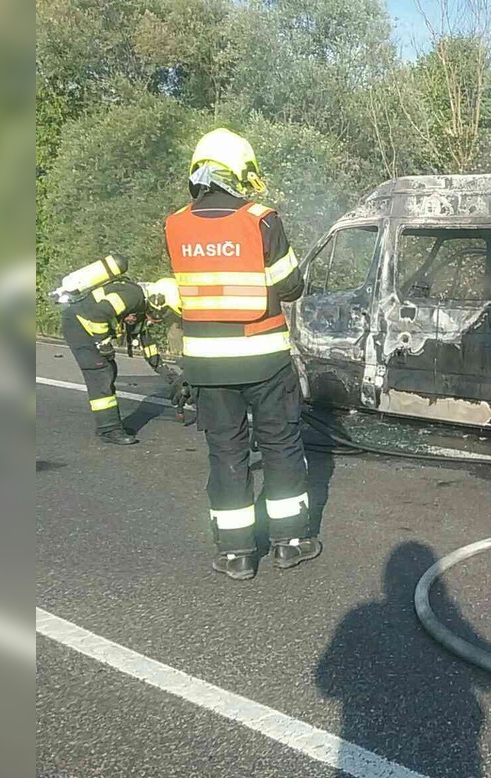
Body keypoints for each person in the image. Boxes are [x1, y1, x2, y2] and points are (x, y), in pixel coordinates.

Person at [165, 127, 317, 581]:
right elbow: (291, 286)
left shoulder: (175, 225)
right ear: (237, 171)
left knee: (226, 452)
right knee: (280, 445)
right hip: (265, 358)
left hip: (208, 366)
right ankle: (290, 543)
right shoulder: (262, 220)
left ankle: (236, 553)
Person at [58, 262, 185, 445]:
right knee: (101, 373)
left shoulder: (139, 305)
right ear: (158, 300)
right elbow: (98, 314)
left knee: (109, 370)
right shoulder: (133, 296)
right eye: (164, 312)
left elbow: (146, 343)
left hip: (87, 327)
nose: (161, 318)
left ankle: (110, 424)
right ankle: (109, 429)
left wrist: (168, 375)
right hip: (79, 326)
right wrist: (103, 342)